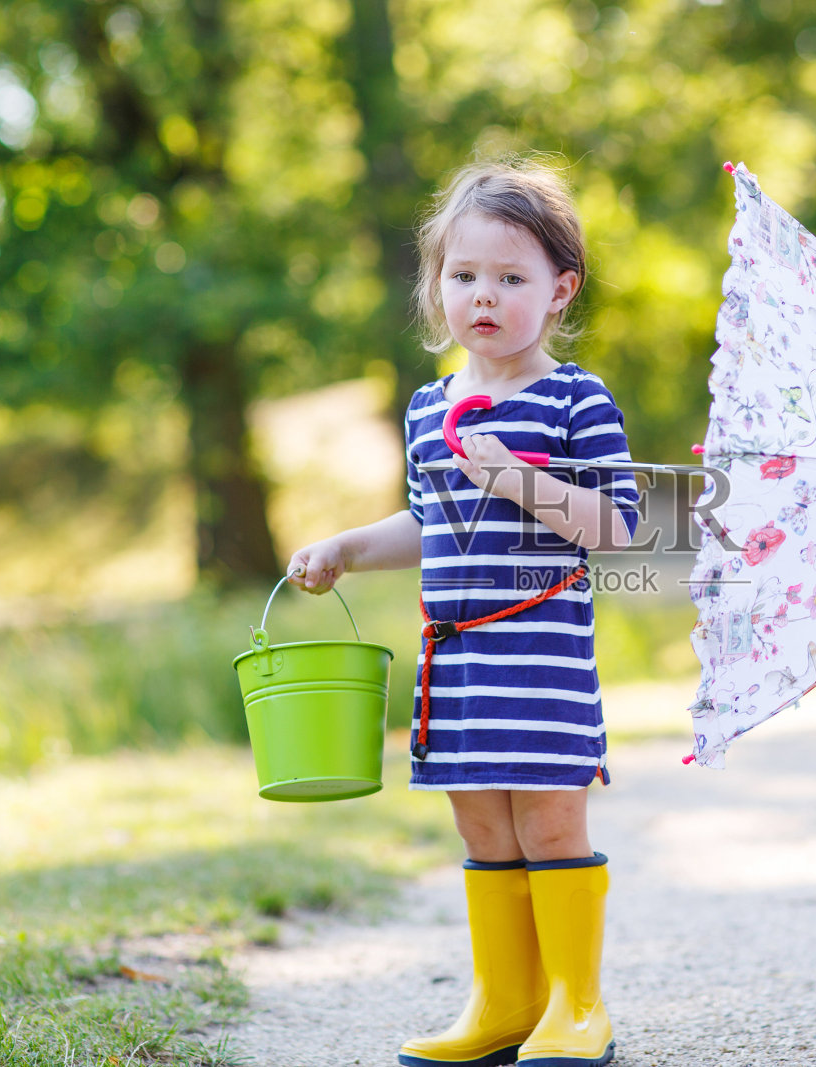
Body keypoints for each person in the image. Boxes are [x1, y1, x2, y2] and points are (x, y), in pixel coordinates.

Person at [287, 156, 639, 1067]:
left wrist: (517, 479)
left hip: (541, 662)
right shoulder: (427, 407)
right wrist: (350, 548)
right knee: (482, 823)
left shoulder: (577, 399)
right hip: (460, 666)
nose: (484, 295)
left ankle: (576, 1003)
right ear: (436, 284)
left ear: (561, 290)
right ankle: (506, 1000)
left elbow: (619, 525)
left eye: (511, 278)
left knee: (550, 822)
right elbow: (431, 523)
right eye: (464, 275)